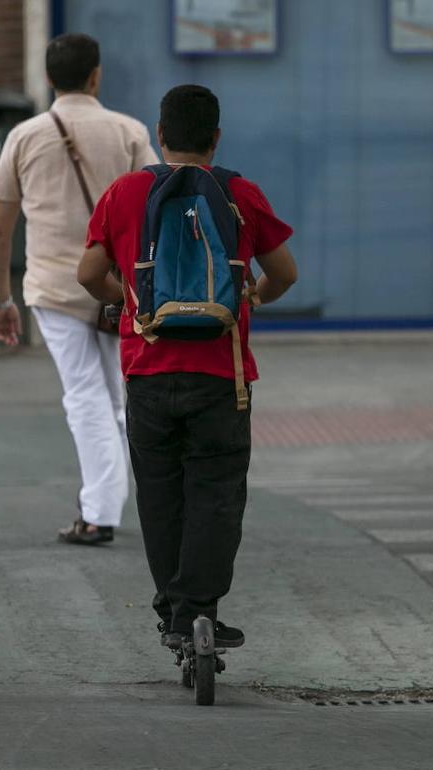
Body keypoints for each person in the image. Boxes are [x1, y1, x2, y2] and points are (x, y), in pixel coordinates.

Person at [77, 84, 298, 648]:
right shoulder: (240, 193)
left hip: (147, 371)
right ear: (216, 138)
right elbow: (285, 273)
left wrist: (125, 297)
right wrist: (253, 296)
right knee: (217, 494)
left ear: (159, 133)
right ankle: (198, 610)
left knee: (160, 494)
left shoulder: (126, 192)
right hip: (222, 377)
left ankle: (173, 611)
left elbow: (86, 273)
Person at [0, 33, 158, 546]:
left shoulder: (25, 137)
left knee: (85, 396)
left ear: (47, 79)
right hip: (117, 288)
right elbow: (155, 205)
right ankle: (117, 500)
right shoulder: (128, 132)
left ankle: (101, 511)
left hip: (54, 288)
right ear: (96, 75)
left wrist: (1, 299)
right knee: (115, 397)